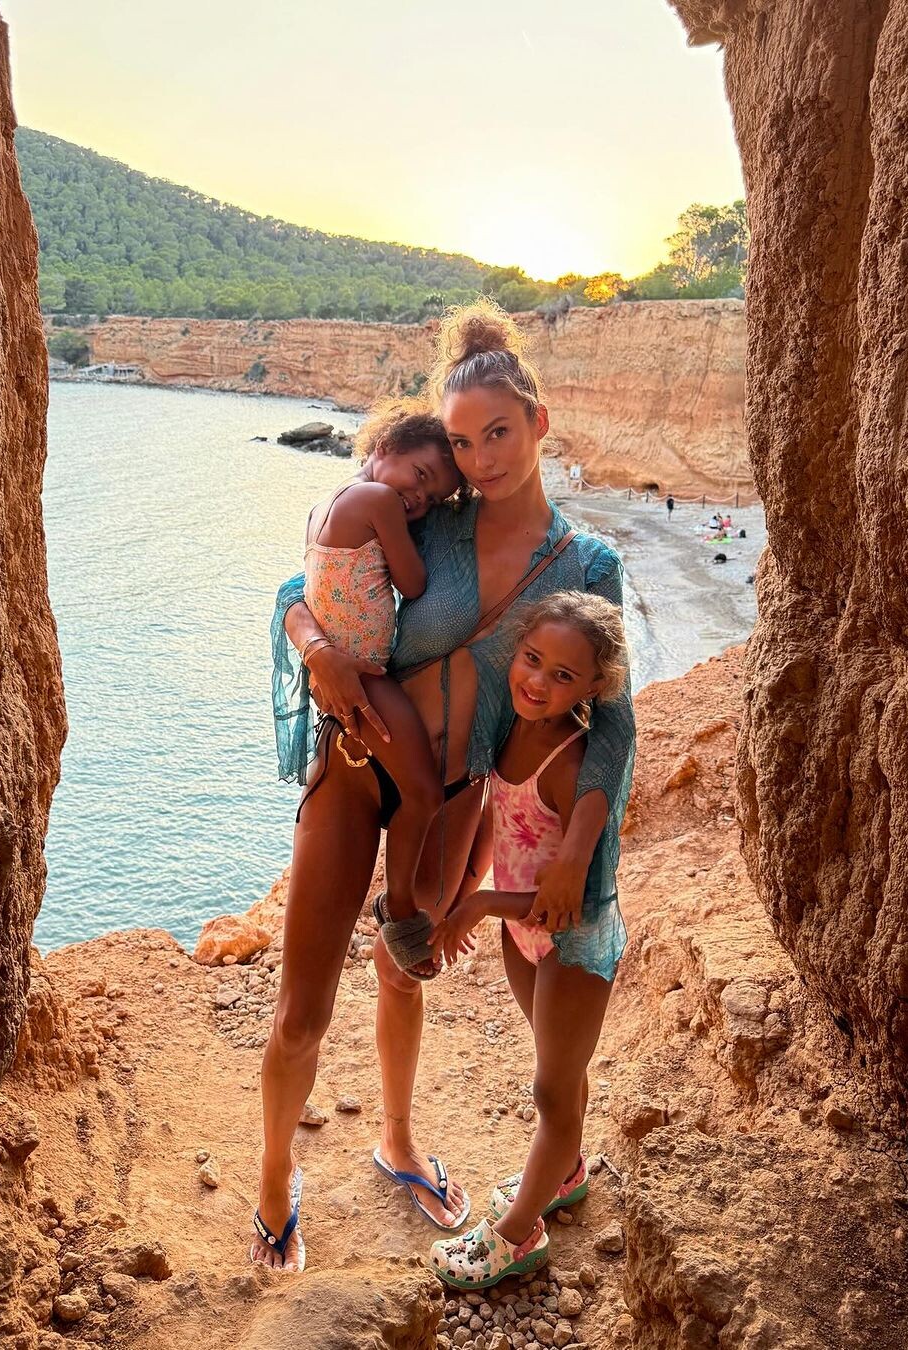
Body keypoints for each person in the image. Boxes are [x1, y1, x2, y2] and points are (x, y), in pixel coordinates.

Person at [252, 297, 635, 1273]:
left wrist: (578, 857)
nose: (480, 459)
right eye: (463, 443)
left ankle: (400, 1142)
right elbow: (306, 585)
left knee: (404, 967)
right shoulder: (435, 524)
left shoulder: (588, 564)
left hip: (455, 796)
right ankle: (273, 1185)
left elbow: (611, 719)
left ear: (539, 422)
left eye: (498, 434)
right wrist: (317, 652)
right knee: (302, 1009)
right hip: (356, 769)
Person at [427, 591, 629, 1288]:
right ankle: (565, 1171)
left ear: (593, 688)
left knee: (551, 1090)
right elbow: (503, 822)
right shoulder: (510, 731)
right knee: (559, 1068)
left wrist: (481, 903)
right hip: (522, 936)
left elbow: (563, 903)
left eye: (562, 675)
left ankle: (517, 1236)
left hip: (572, 942)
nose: (538, 681)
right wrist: (471, 894)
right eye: (532, 659)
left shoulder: (571, 763)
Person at [301, 399, 463, 982]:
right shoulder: (378, 501)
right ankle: (397, 908)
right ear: (384, 446)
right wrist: (420, 535)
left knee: (417, 790)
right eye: (420, 475)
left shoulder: (327, 502)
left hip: (353, 672)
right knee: (424, 793)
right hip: (367, 677)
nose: (419, 498)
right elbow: (413, 583)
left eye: (434, 498)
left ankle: (395, 903)